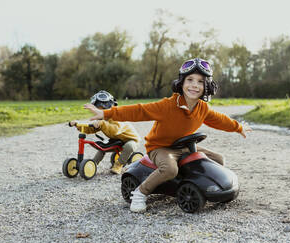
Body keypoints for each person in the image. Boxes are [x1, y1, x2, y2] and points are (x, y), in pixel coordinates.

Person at [84, 58, 252, 212]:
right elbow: (139, 111)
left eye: (200, 82)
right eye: (190, 80)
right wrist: (106, 114)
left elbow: (220, 120)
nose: (195, 85)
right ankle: (140, 193)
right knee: (170, 169)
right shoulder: (167, 106)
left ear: (206, 86)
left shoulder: (202, 108)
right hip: (160, 148)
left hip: (183, 145)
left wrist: (238, 127)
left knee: (218, 158)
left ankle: (209, 187)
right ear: (182, 82)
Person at [70, 90, 140, 175]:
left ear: (106, 107)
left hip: (130, 139)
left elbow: (115, 130)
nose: (96, 111)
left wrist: (102, 123)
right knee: (102, 147)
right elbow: (91, 129)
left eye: (98, 109)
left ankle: (118, 165)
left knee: (129, 146)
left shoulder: (118, 116)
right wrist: (77, 124)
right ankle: (93, 164)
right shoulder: (103, 118)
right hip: (117, 139)